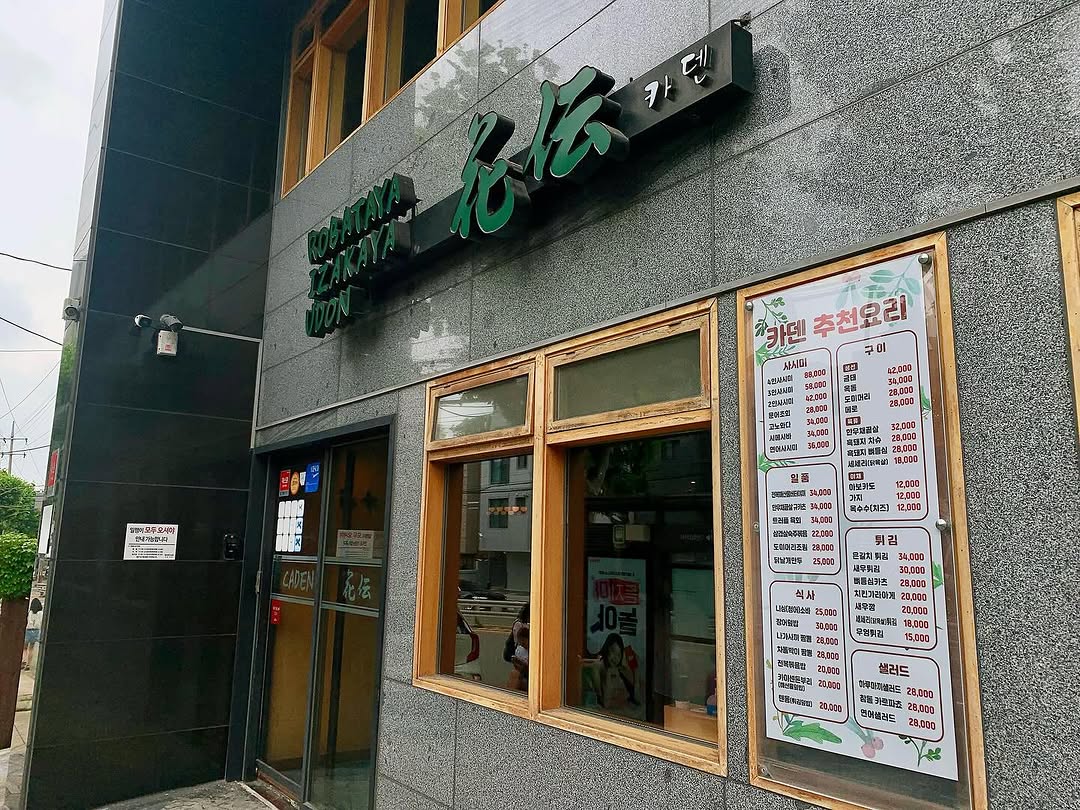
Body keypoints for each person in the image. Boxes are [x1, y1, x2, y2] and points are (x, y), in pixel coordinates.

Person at [22, 597, 43, 670]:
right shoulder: (41, 613)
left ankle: (24, 660)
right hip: (36, 630)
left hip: (28, 630)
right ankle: (28, 664)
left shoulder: (30, 612)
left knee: (25, 648)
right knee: (31, 648)